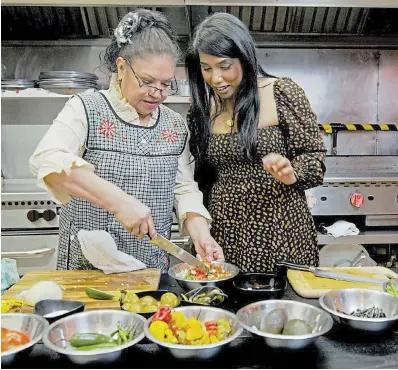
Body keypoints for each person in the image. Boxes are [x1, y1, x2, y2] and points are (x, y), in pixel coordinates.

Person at [29, 9, 223, 272]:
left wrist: (200, 232)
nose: (157, 93)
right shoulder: (86, 109)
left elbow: (184, 188)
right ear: (121, 68)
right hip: (88, 272)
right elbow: (46, 160)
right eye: (146, 81)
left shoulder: (175, 125)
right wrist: (119, 202)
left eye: (166, 84)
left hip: (151, 269)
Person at [185, 12, 326, 273]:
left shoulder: (281, 93)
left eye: (224, 66)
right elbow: (199, 177)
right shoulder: (202, 110)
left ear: (245, 58)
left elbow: (314, 159)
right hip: (224, 235)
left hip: (281, 232)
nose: (216, 78)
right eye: (207, 68)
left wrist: (292, 173)